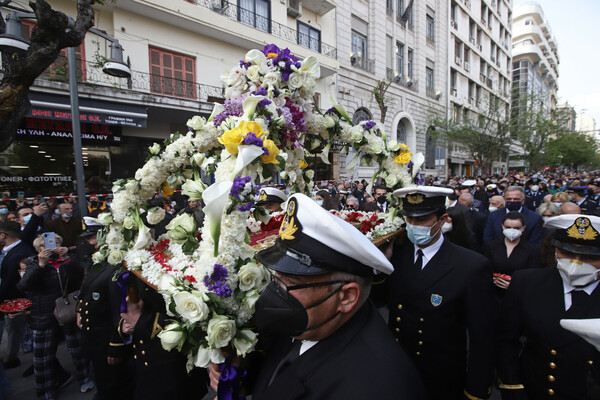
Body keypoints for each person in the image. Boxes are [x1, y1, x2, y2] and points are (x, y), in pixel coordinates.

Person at [211, 193, 425, 399]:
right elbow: (287, 368)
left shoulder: (377, 387)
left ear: (347, 296)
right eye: (276, 279)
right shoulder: (313, 321)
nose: (276, 291)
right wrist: (243, 377)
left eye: (291, 282)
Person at [376, 186, 497, 400]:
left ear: (442, 220)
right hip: (397, 366)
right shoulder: (397, 254)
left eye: (422, 220)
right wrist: (379, 265)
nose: (413, 226)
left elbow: (482, 336)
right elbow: (378, 302)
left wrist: (476, 389)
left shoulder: (470, 265)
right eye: (409, 219)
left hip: (441, 375)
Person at [497, 214, 600, 400]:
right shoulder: (527, 282)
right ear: (555, 250)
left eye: (588, 257)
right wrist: (512, 387)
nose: (576, 263)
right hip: (535, 389)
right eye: (567, 254)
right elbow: (506, 339)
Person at [17, 233, 93, 399]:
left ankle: (85, 378)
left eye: (56, 243)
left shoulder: (67, 261)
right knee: (43, 357)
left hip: (68, 311)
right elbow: (24, 285)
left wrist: (67, 258)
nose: (52, 247)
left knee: (78, 349)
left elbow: (80, 276)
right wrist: (40, 265)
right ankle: (45, 390)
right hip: (43, 314)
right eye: (46, 245)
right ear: (39, 249)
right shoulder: (32, 264)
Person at [76, 218, 130, 400]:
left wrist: (115, 346)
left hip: (106, 338)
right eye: (88, 238)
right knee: (101, 379)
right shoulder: (99, 261)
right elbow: (86, 291)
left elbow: (119, 311)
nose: (91, 243)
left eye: (94, 237)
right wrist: (79, 310)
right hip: (94, 337)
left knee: (112, 385)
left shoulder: (115, 267)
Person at [0, 221, 36, 369]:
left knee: (15, 329)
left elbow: (11, 283)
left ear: (3, 235)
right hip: (17, 301)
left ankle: (11, 357)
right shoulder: (15, 250)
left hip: (18, 301)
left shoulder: (18, 254)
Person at [484, 211, 540, 299]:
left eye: (516, 228)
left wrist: (514, 286)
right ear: (503, 226)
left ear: (523, 228)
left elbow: (533, 276)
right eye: (508, 227)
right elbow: (484, 270)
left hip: (519, 296)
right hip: (492, 294)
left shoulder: (531, 250)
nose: (512, 230)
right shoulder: (491, 246)